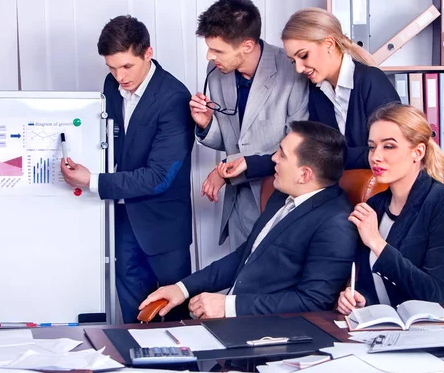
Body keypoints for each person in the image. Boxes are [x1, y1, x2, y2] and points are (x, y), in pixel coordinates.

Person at [140, 121, 357, 318]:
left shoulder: (335, 223)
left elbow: (313, 302)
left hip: (271, 338)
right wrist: (182, 288)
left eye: (281, 154)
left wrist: (229, 307)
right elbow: (246, 255)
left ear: (304, 175)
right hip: (237, 323)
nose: (273, 159)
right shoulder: (282, 194)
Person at [60, 15, 194, 323]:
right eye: (111, 67)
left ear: (148, 53)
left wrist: (92, 180)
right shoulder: (111, 84)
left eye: (127, 67)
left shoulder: (174, 97)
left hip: (163, 228)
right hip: (121, 219)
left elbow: (160, 176)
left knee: (176, 320)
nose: (119, 76)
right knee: (133, 318)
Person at [217, 7, 400, 181]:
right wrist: (249, 163)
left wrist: (329, 155)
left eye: (303, 56)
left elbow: (390, 151)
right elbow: (307, 149)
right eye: (293, 61)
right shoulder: (316, 89)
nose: (298, 68)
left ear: (329, 43)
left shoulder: (371, 82)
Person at [190, 0, 308, 252]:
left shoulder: (292, 71)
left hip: (281, 198)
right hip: (238, 205)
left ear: (247, 45)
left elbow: (301, 146)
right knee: (239, 281)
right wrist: (206, 124)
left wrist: (227, 170)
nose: (210, 56)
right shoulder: (217, 73)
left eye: (218, 50)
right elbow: (232, 138)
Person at [336, 104, 444, 314]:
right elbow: (378, 285)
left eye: (388, 146)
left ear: (418, 152)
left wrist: (377, 242)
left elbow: (434, 294)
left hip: (440, 327)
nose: (375, 157)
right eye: (372, 147)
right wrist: (360, 299)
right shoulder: (375, 207)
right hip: (389, 330)